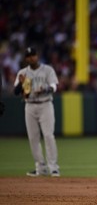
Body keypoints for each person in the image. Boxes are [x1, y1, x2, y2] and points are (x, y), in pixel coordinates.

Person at [14, 47, 60, 177]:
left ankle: (53, 167)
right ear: (26, 58)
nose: (31, 58)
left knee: (48, 136)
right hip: (29, 106)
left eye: (33, 55)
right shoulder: (22, 73)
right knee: (33, 138)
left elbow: (54, 86)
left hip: (45, 104)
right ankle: (40, 167)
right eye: (29, 56)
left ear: (37, 56)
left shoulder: (47, 70)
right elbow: (16, 92)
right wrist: (20, 84)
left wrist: (45, 89)